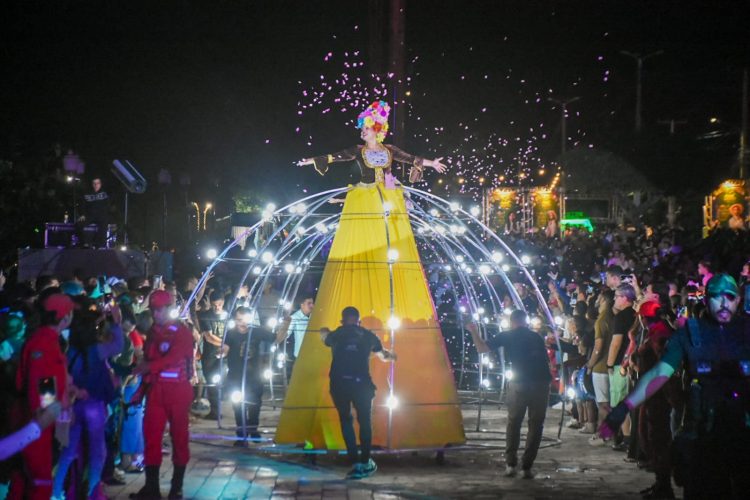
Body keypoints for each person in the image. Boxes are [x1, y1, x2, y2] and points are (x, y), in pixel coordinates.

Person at [601, 274, 750, 499]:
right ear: (706, 299)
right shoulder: (690, 333)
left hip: (740, 433)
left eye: (729, 297)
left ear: (738, 299)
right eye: (716, 296)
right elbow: (659, 373)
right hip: (702, 433)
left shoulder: (745, 332)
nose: (723, 303)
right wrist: (623, 408)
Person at [52, 299, 124, 500]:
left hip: (73, 405)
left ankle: (56, 492)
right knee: (97, 452)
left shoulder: (69, 352)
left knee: (68, 451)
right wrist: (116, 323)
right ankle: (93, 492)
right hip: (94, 406)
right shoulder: (97, 350)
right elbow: (118, 345)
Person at [467, 310, 551, 479]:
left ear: (512, 322)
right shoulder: (536, 337)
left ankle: (511, 464)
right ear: (525, 322)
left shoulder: (508, 335)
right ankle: (527, 467)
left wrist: (473, 331)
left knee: (514, 422)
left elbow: (482, 348)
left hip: (519, 382)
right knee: (536, 425)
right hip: (541, 382)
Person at [320, 306, 396, 480]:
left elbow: (324, 338)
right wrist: (392, 356)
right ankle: (365, 461)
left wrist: (323, 331)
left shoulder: (336, 335)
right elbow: (383, 356)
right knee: (365, 421)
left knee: (346, 420)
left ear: (342, 321)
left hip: (339, 384)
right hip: (362, 385)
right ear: (359, 321)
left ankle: (355, 462)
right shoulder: (369, 335)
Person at [131, 291, 194, 500]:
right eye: (153, 310)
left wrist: (147, 368)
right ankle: (152, 488)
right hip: (156, 392)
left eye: (159, 310)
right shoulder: (154, 332)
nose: (156, 314)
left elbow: (172, 358)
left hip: (177, 392)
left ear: (169, 308)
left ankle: (177, 487)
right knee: (151, 438)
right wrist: (140, 391)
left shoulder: (182, 332)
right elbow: (149, 360)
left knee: (179, 438)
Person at [11, 294, 74, 500]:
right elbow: (42, 380)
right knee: (41, 482)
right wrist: (50, 412)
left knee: (25, 478)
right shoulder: (45, 342)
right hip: (37, 422)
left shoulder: (45, 339)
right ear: (64, 317)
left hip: (36, 420)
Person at [223, 307, 285, 445]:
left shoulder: (256, 332)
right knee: (238, 406)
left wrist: (286, 325)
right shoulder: (231, 334)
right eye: (239, 320)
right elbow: (225, 348)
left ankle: (253, 429)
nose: (242, 323)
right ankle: (241, 435)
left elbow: (276, 339)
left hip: (253, 376)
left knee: (254, 405)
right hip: (235, 376)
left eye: (245, 320)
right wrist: (221, 353)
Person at [606, 283, 637, 451]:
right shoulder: (636, 315)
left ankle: (626, 438)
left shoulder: (621, 317)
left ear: (625, 298)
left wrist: (609, 364)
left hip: (621, 364)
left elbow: (616, 343)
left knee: (619, 402)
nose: (615, 300)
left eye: (617, 296)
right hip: (634, 363)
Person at [585, 289, 615, 446]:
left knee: (603, 404)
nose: (596, 300)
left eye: (598, 298)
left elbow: (598, 347)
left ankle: (602, 435)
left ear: (603, 300)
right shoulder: (613, 317)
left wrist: (590, 364)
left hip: (601, 367)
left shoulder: (601, 320)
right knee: (609, 403)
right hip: (611, 366)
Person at [278, 295, 314, 364]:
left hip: (313, 354)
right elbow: (284, 335)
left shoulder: (314, 316)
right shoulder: (294, 318)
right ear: (302, 305)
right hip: (300, 356)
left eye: (312, 303)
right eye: (309, 303)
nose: (312, 305)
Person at [79, 177, 111, 248]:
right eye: (94, 183)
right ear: (92, 184)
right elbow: (82, 205)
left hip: (101, 216)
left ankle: (99, 245)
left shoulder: (105, 193)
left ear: (100, 184)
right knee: (78, 224)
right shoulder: (87, 193)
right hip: (90, 216)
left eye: (98, 183)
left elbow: (108, 205)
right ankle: (84, 243)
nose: (96, 185)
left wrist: (105, 213)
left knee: (104, 224)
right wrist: (82, 214)